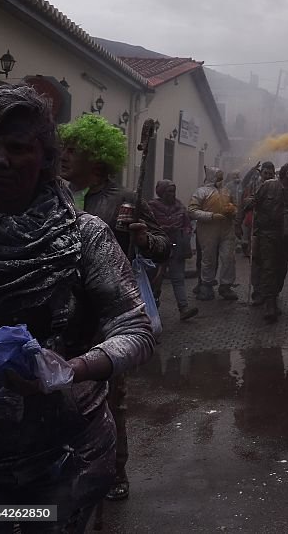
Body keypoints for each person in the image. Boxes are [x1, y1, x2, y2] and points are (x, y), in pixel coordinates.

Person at [0, 86, 155, 531]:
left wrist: (71, 368)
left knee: (32, 524)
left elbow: (137, 328)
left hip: (60, 460)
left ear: (45, 158)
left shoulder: (85, 235)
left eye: (16, 148)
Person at [57, 114, 170, 503]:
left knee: (111, 398)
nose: (65, 155)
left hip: (107, 315)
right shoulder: (58, 195)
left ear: (98, 157)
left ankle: (115, 470)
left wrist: (144, 236)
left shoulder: (125, 200)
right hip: (61, 314)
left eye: (75, 150)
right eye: (64, 147)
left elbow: (163, 245)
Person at [242, 161, 288, 323]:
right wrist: (241, 218)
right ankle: (269, 303)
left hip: (285, 238)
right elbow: (251, 201)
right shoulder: (268, 186)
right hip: (267, 235)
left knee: (281, 270)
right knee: (268, 268)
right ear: (287, 173)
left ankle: (274, 296)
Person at [149, 180, 199, 322]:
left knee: (178, 279)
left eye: (173, 191)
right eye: (168, 191)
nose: (172, 194)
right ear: (161, 193)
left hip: (176, 247)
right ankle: (153, 312)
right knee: (156, 280)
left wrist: (185, 237)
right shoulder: (152, 207)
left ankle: (183, 308)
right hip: (158, 247)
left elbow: (187, 225)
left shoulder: (179, 207)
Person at [188, 167, 239, 302]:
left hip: (227, 230)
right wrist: (211, 216)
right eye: (218, 177)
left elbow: (235, 206)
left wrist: (232, 210)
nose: (220, 180)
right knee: (208, 258)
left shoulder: (226, 191)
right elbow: (192, 211)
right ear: (211, 176)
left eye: (221, 177)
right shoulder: (201, 192)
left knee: (229, 258)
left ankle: (226, 286)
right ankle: (206, 285)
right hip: (207, 231)